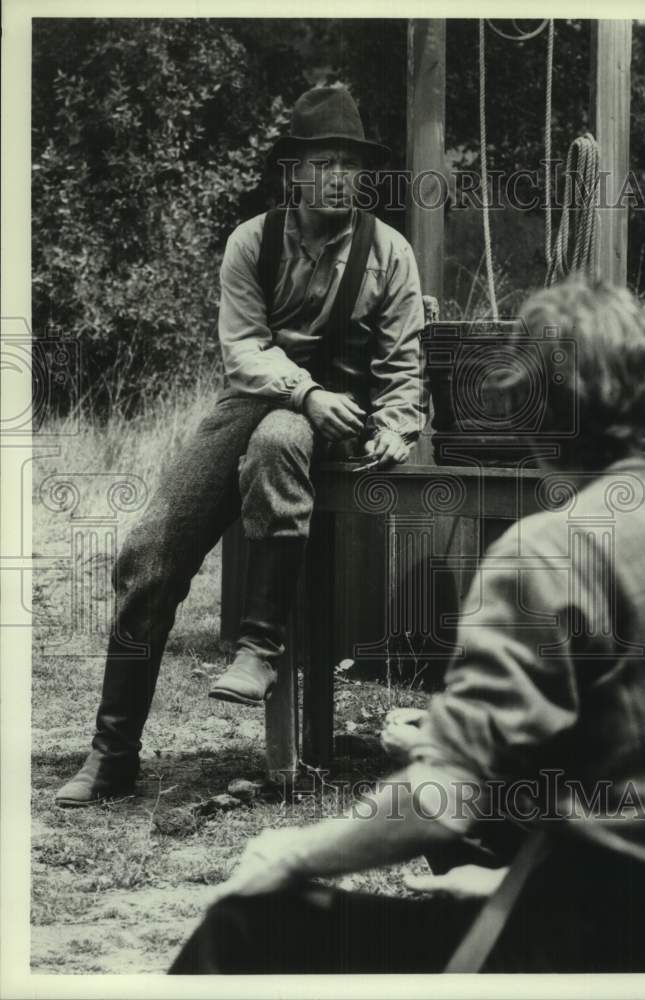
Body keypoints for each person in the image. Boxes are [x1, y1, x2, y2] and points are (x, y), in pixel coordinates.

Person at [168, 278, 645, 974]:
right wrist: (512, 883)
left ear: (522, 409)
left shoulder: (548, 552)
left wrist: (288, 851)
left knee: (245, 929)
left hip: (591, 951)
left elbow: (444, 800)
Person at [55, 87, 428, 807]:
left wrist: (395, 425)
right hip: (255, 403)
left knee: (281, 441)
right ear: (294, 172)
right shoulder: (251, 242)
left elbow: (402, 364)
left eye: (349, 164)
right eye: (322, 163)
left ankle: (259, 647)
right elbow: (244, 351)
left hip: (336, 422)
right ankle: (113, 752)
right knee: (148, 553)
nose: (338, 178)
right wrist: (304, 391)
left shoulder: (390, 253)